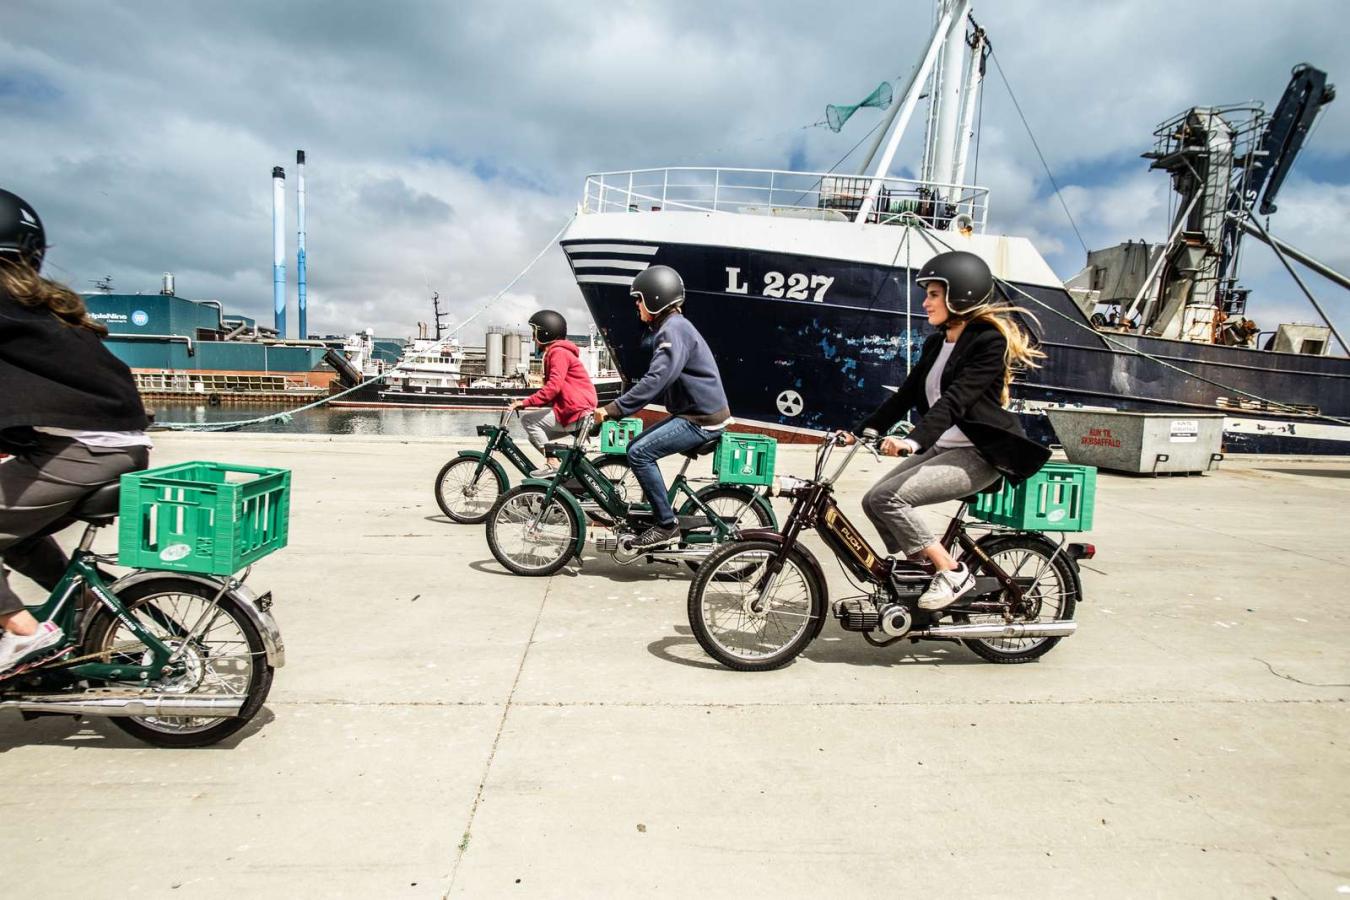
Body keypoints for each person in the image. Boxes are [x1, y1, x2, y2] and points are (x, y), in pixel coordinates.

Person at [0, 188, 152, 677]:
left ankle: (23, 634)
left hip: (84, 448)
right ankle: (93, 613)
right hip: (111, 444)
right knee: (18, 539)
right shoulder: (37, 308)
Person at [851, 250, 1051, 611]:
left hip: (978, 453)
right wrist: (859, 431)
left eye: (933, 294)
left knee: (889, 499)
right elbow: (906, 395)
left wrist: (912, 441)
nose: (925, 303)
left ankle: (951, 571)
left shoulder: (988, 341)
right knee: (872, 500)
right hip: (944, 447)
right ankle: (920, 569)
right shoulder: (936, 343)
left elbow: (955, 401)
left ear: (961, 295)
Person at [594, 265, 731, 551]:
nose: (636, 304)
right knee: (637, 446)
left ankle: (666, 525)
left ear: (655, 299)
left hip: (701, 419)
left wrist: (613, 409)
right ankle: (655, 510)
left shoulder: (672, 330)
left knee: (638, 452)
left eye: (639, 298)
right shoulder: (672, 327)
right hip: (694, 412)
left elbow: (657, 378)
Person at [508, 309, 597, 476]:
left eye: (535, 332)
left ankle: (554, 465)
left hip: (575, 410)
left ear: (545, 332)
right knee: (535, 436)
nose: (533, 337)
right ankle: (562, 471)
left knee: (529, 421)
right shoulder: (557, 352)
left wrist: (524, 403)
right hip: (574, 409)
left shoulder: (558, 353)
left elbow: (553, 388)